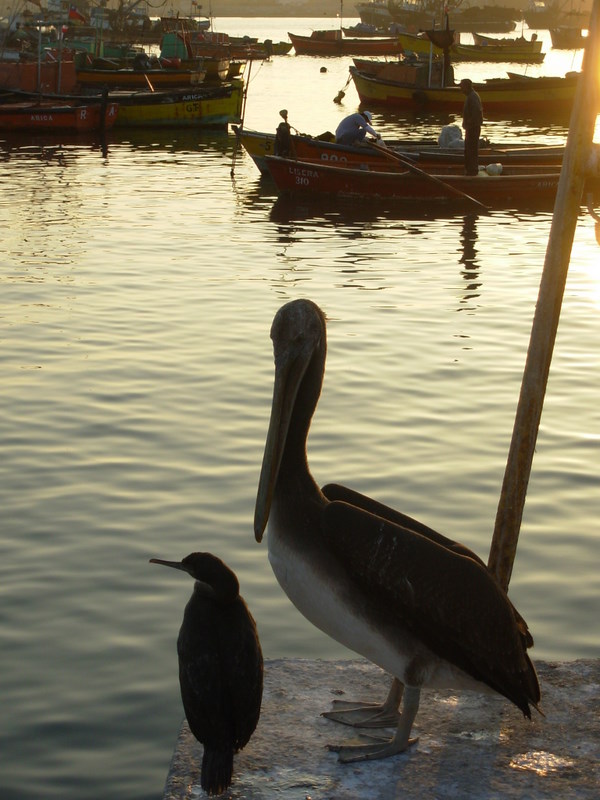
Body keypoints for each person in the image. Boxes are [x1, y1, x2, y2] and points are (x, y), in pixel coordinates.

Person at [459, 78, 483, 176]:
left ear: (466, 86)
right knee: (469, 150)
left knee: (471, 150)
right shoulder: (471, 96)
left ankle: (472, 172)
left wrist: (469, 122)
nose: (460, 88)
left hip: (473, 128)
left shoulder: (472, 97)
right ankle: (470, 170)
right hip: (471, 127)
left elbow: (477, 111)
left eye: (462, 86)